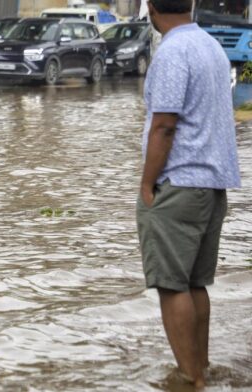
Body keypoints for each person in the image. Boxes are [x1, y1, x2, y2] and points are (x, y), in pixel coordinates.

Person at [136, 0, 241, 388]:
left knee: (171, 284)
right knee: (196, 284)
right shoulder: (210, 46)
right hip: (212, 187)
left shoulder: (172, 51)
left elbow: (164, 125)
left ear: (151, 7)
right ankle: (203, 368)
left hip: (178, 184)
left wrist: (147, 184)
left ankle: (189, 377)